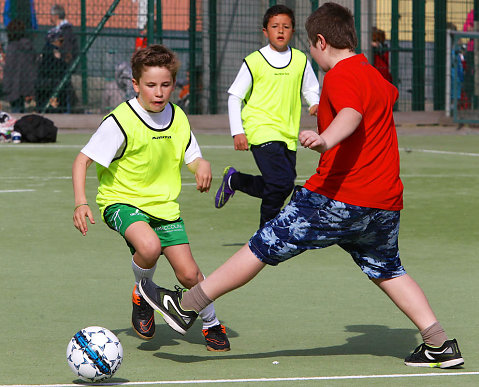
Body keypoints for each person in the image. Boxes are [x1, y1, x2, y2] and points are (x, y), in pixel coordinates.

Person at [138, 3, 464, 369]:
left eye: (311, 44)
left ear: (322, 41)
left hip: (338, 198)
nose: (310, 51)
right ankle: (438, 343)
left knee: (261, 245)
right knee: (388, 269)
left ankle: (187, 306)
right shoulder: (372, 74)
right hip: (384, 203)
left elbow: (351, 115)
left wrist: (326, 139)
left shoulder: (340, 76)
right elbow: (385, 97)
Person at [72, 44, 230, 352]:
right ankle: (143, 292)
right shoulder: (121, 121)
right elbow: (82, 160)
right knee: (149, 246)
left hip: (164, 208)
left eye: (166, 85)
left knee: (189, 274)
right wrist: (81, 201)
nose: (159, 92)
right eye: (150, 85)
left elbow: (193, 156)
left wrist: (202, 165)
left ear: (174, 83)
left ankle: (211, 323)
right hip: (121, 201)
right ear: (136, 85)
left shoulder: (178, 117)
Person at [215, 4, 320, 228]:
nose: (280, 31)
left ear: (293, 31)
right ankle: (266, 233)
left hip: (288, 133)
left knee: (282, 185)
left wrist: (315, 104)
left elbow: (310, 88)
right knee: (281, 182)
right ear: (265, 31)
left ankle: (235, 180)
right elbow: (234, 96)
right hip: (259, 128)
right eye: (275, 26)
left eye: (286, 26)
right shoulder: (254, 61)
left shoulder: (301, 60)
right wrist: (238, 131)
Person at [48, 4, 78, 111]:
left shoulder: (65, 31)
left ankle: (66, 110)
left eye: (51, 16)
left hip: (62, 66)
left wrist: (61, 57)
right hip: (60, 66)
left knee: (64, 90)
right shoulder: (63, 30)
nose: (50, 18)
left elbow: (67, 50)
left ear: (55, 16)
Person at [3, 18, 36, 113]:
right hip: (26, 84)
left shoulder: (12, 48)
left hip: (13, 86)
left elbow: (9, 68)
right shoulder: (29, 46)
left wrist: (6, 86)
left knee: (15, 111)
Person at [34, 29, 68, 112]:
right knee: (55, 108)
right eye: (60, 41)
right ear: (54, 40)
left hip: (44, 83)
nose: (62, 43)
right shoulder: (52, 51)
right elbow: (58, 67)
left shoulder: (45, 50)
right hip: (52, 84)